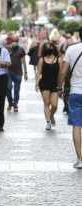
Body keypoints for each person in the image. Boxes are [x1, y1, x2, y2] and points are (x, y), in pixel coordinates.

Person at [58, 27, 82, 169]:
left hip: (75, 92)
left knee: (77, 126)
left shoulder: (71, 50)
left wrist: (59, 87)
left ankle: (80, 158)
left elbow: (63, 72)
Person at [35, 42, 61, 130]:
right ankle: (48, 122)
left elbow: (61, 74)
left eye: (50, 47)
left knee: (54, 105)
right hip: (44, 83)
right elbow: (38, 72)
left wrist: (62, 85)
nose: (49, 48)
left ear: (54, 48)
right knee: (47, 103)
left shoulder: (59, 60)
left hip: (55, 84)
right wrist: (37, 83)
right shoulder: (42, 60)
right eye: (46, 47)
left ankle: (51, 115)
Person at [6, 35, 28, 112]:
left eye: (16, 41)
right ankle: (10, 102)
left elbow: (24, 62)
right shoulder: (7, 49)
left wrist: (25, 72)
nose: (14, 42)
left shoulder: (21, 50)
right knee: (8, 88)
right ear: (11, 41)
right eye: (13, 41)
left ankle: (15, 104)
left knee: (17, 89)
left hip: (18, 73)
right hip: (8, 72)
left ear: (18, 41)